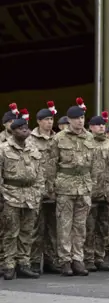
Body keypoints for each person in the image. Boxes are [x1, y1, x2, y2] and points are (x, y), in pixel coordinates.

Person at [51, 98, 95, 277]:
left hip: (84, 186)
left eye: (82, 118)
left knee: (80, 226)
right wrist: (50, 187)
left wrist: (94, 185)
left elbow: (94, 164)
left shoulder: (89, 137)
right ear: (68, 120)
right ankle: (65, 261)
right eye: (76, 118)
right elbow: (51, 164)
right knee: (64, 226)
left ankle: (78, 259)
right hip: (65, 186)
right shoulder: (59, 138)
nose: (80, 121)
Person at [0, 110, 45, 279]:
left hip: (30, 195)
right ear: (13, 131)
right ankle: (9, 265)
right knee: (10, 232)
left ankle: (23, 264)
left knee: (27, 232)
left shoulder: (33, 148)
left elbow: (40, 173)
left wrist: (39, 191)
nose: (25, 130)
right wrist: (1, 196)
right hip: (10, 195)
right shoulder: (3, 149)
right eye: (21, 128)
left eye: (27, 128)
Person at [29, 101, 59, 273]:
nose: (49, 122)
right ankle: (33, 262)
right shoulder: (30, 139)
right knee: (36, 228)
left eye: (51, 119)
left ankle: (50, 260)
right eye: (46, 119)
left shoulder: (57, 139)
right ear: (39, 121)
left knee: (53, 228)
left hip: (54, 189)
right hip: (37, 190)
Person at [84, 111, 109, 272]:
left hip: (106, 192)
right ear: (90, 128)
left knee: (104, 227)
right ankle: (88, 258)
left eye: (103, 124)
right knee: (89, 228)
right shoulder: (86, 143)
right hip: (90, 192)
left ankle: (100, 256)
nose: (101, 127)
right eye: (97, 124)